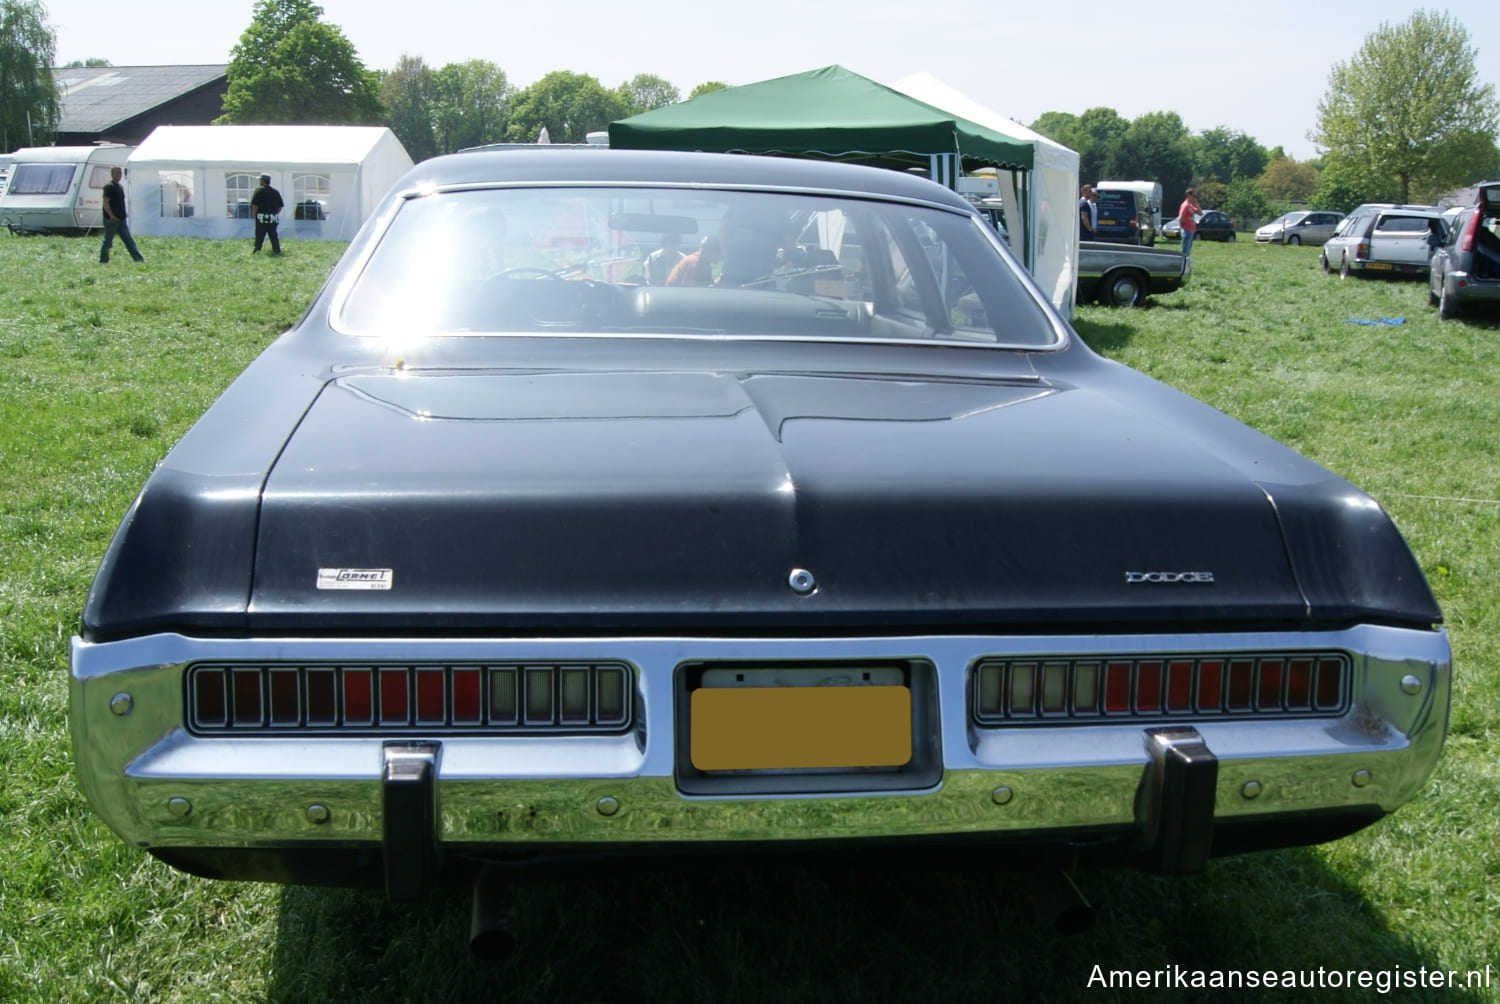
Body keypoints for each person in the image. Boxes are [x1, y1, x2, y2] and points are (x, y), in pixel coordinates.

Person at [99, 166, 144, 264]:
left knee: (129, 240)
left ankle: (139, 260)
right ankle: (103, 260)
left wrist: (124, 213)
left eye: (120, 173)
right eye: (117, 173)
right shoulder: (109, 186)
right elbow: (105, 203)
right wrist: (111, 215)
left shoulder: (120, 187)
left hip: (121, 219)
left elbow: (121, 202)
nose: (119, 175)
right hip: (111, 220)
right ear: (112, 174)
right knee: (108, 242)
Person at [250, 174, 285, 255]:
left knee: (259, 235)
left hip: (261, 217)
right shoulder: (275, 192)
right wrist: (274, 214)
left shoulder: (258, 191)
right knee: (273, 235)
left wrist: (255, 215)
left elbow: (255, 205)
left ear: (263, 181)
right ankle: (276, 250)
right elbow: (280, 206)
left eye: (260, 180)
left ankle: (257, 250)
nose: (259, 181)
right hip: (273, 218)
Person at [1178, 188, 1202, 260]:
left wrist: (1196, 204)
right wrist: (1183, 226)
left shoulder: (1191, 206)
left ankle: (1185, 265)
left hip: (1191, 230)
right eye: (1193, 196)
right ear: (1188, 195)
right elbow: (1180, 217)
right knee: (1184, 251)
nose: (1194, 198)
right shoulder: (1185, 205)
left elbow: (1200, 213)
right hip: (1186, 230)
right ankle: (1182, 265)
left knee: (1187, 251)